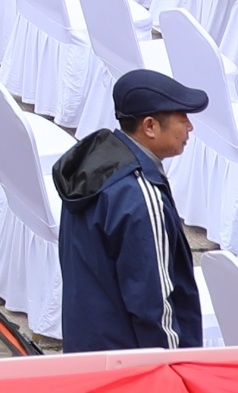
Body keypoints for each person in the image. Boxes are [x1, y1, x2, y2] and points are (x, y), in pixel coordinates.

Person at [52, 69, 209, 352]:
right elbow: (154, 304)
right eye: (182, 117)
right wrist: (172, 365)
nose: (189, 127)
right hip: (130, 358)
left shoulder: (95, 165)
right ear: (150, 126)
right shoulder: (139, 195)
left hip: (89, 346)